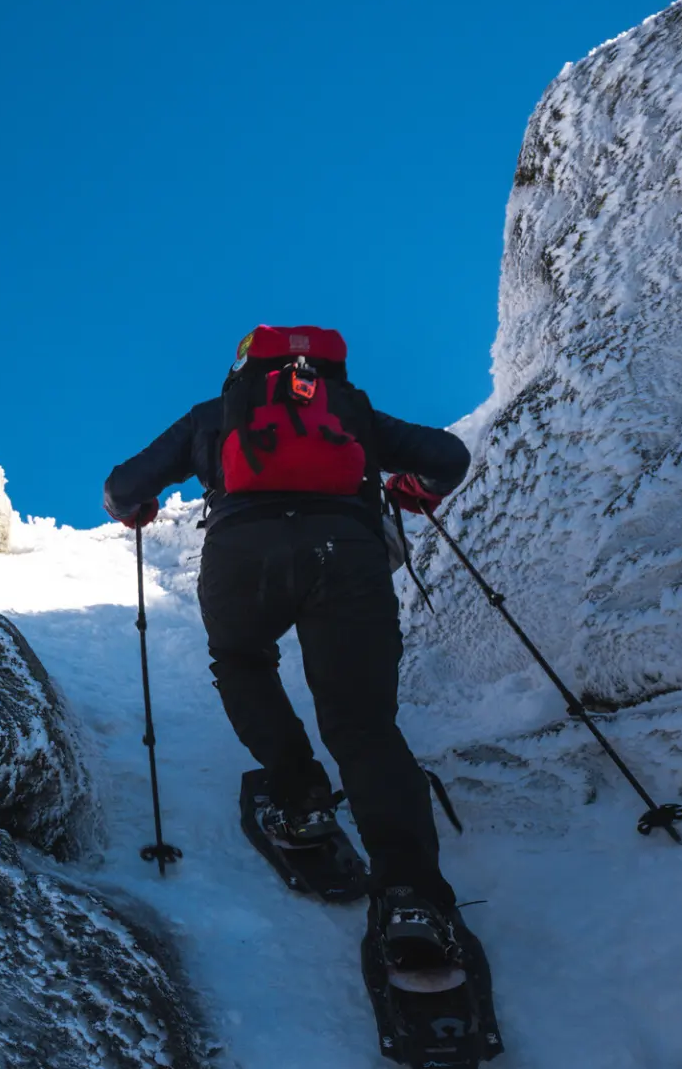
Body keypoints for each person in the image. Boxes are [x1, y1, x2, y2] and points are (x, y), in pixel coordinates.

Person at [101, 324, 474, 971]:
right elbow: (447, 457)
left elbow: (124, 485)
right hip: (347, 554)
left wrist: (136, 508)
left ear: (244, 366)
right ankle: (414, 900)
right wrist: (417, 491)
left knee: (243, 661)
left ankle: (300, 801)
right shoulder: (350, 411)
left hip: (244, 554)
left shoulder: (214, 416)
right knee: (364, 726)